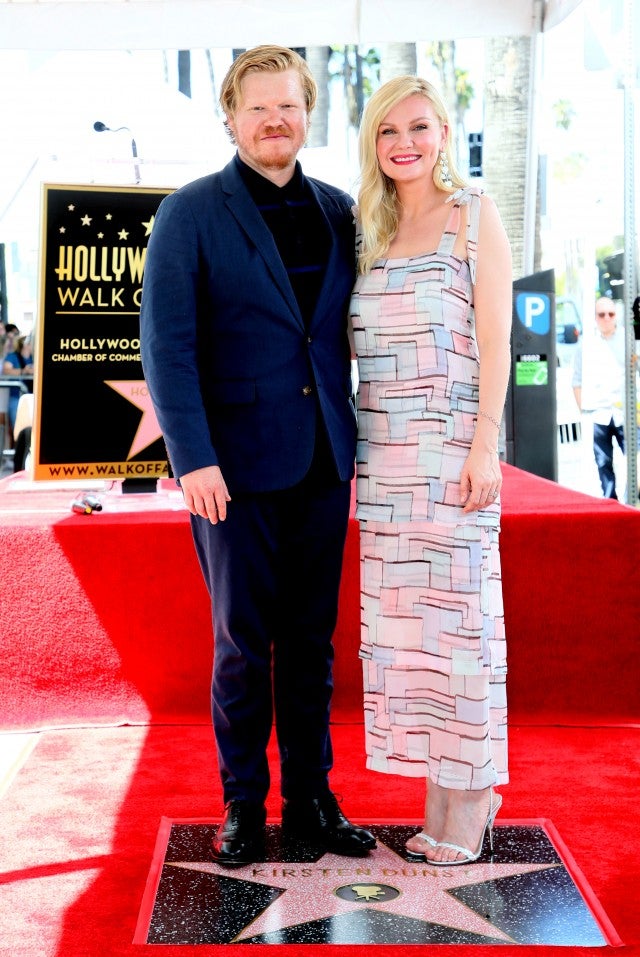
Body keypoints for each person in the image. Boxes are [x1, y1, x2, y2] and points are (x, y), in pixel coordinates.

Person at [140, 45, 375, 867]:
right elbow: (167, 347)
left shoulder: (341, 211)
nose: (276, 121)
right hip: (230, 473)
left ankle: (310, 797)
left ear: (308, 114)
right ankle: (242, 800)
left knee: (312, 642)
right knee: (242, 644)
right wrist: (193, 457)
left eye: (289, 106)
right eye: (259, 108)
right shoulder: (190, 212)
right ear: (231, 119)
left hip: (323, 461)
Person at [350, 76, 512, 865]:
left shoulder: (473, 215)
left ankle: (473, 793)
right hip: (382, 461)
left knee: (463, 632)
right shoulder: (365, 227)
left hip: (452, 456)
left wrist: (485, 444)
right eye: (388, 130)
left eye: (418, 126)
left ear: (444, 132)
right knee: (410, 638)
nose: (404, 143)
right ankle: (439, 793)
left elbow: (496, 340)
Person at [572, 297, 626, 499]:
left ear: (616, 316)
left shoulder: (628, 340)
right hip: (598, 414)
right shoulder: (586, 345)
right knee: (603, 463)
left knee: (635, 460)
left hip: (625, 413)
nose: (606, 318)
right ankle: (611, 505)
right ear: (595, 317)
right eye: (602, 314)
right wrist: (584, 411)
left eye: (611, 314)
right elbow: (576, 381)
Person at [2, 334, 34, 433]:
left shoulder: (35, 357)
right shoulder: (13, 356)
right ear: (25, 344)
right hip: (16, 398)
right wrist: (24, 371)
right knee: (17, 430)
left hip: (32, 397)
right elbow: (6, 370)